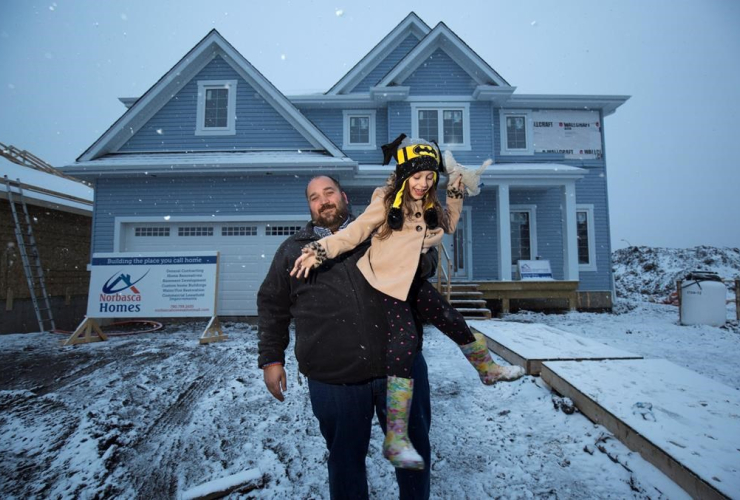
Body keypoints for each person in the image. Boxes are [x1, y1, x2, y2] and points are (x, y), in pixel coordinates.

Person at [292, 135, 525, 470]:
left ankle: (486, 369)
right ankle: (397, 438)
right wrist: (319, 249)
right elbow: (355, 232)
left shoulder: (427, 206)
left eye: (430, 177)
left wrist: (454, 192)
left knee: (451, 318)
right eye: (417, 177)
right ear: (404, 176)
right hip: (382, 283)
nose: (423, 183)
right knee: (404, 345)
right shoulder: (386, 200)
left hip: (409, 281)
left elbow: (450, 224)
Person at [257, 175, 435, 499]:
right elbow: (272, 305)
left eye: (329, 192)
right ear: (309, 207)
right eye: (314, 197)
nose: (323, 200)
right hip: (334, 380)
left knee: (412, 455)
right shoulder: (293, 251)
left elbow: (426, 264)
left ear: (344, 197)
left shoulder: (382, 230)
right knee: (345, 461)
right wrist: (271, 358)